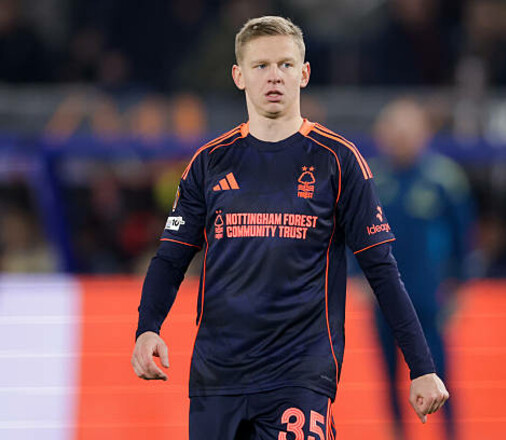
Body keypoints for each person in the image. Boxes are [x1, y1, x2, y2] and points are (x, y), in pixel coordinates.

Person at [131, 16, 449, 440]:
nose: (274, 76)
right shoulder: (208, 163)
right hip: (217, 379)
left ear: (304, 73)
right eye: (261, 66)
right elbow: (170, 259)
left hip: (300, 376)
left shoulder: (338, 160)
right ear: (239, 76)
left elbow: (382, 270)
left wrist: (421, 367)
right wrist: (148, 328)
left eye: (285, 64)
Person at [370, 98, 474, 440]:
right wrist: (356, 278)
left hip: (427, 297)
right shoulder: (371, 179)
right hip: (383, 299)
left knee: (439, 373)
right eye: (394, 129)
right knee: (387, 374)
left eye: (407, 129)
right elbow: (350, 235)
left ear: (424, 133)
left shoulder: (444, 178)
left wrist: (459, 286)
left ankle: (451, 434)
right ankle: (398, 433)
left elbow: (463, 236)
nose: (400, 137)